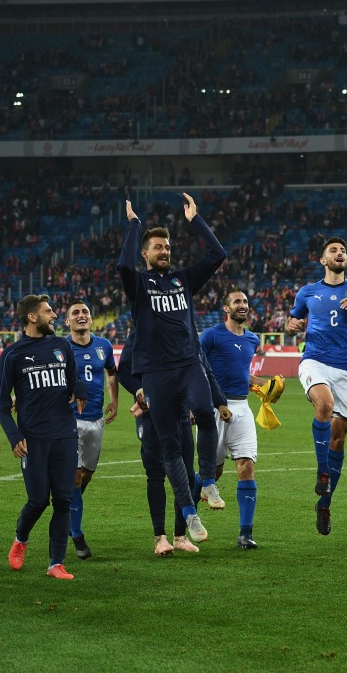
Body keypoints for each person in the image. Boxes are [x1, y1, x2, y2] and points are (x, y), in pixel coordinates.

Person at [117, 194, 226, 543]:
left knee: (206, 417)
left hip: (187, 364)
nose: (164, 251)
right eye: (157, 248)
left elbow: (218, 255)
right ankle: (189, 515)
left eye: (167, 247)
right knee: (169, 448)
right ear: (145, 254)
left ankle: (208, 482)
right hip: (156, 374)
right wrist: (134, 226)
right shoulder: (139, 285)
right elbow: (122, 266)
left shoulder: (183, 280)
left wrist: (197, 221)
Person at [285, 237, 347, 535]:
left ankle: (324, 504)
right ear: (323, 260)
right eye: (333, 251)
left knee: (338, 440)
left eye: (343, 251)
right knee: (324, 405)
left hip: (345, 371)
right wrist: (292, 326)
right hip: (314, 361)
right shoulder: (308, 292)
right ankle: (323, 471)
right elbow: (292, 322)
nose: (339, 254)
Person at [0, 294, 88, 580]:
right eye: (48, 311)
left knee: (62, 499)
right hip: (34, 439)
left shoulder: (61, 346)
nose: (54, 316)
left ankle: (56, 563)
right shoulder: (12, 354)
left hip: (65, 435)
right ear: (32, 317)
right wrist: (14, 436)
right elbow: (1, 404)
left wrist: (80, 389)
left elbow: (73, 379)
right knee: (38, 501)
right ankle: (21, 539)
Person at [117, 332, 228, 555]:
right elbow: (124, 372)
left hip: (181, 415)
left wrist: (214, 401)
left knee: (187, 474)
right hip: (150, 414)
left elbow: (203, 370)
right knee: (156, 474)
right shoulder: (141, 332)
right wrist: (139, 388)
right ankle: (160, 538)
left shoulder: (187, 333)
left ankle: (180, 536)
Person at [200, 289, 282, 548]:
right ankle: (186, 516)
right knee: (212, 471)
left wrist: (264, 383)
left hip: (242, 408)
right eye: (237, 301)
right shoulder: (210, 336)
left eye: (245, 301)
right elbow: (197, 368)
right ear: (226, 308)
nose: (243, 305)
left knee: (246, 465)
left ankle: (245, 533)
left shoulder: (251, 340)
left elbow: (241, 374)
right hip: (214, 408)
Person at [64, 300, 119, 560]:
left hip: (96, 420)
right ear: (68, 322)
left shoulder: (104, 346)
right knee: (75, 476)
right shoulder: (61, 348)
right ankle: (77, 536)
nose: (81, 315)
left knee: (86, 475)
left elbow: (111, 371)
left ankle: (68, 505)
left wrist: (115, 399)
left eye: (85, 311)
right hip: (69, 420)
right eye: (75, 313)